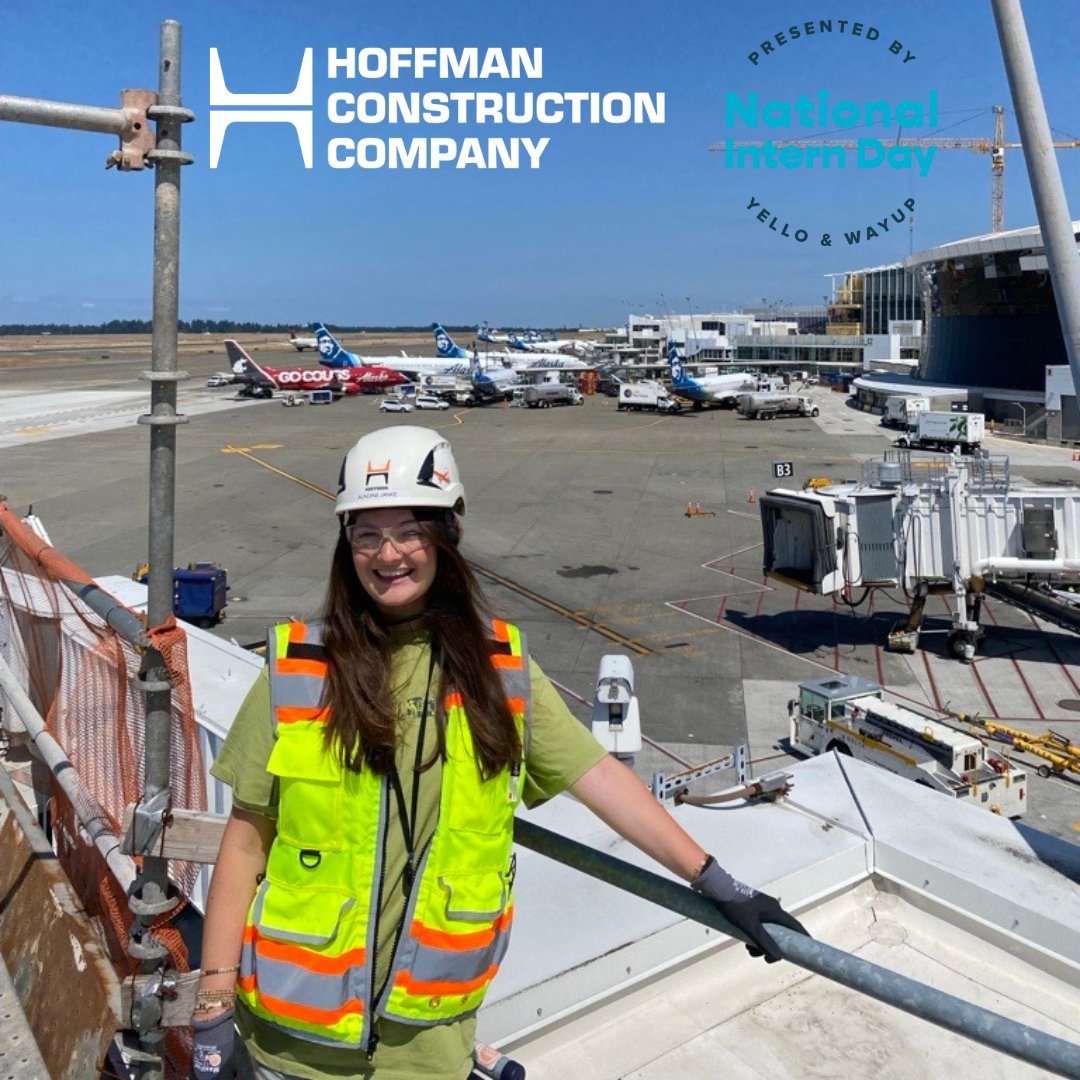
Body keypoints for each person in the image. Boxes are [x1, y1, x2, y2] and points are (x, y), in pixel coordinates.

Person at [191, 426, 807, 1080]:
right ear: (346, 548)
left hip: (426, 1052)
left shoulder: (499, 672)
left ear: (448, 535)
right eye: (365, 534)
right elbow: (245, 843)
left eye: (409, 531)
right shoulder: (298, 667)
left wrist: (716, 882)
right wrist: (211, 1009)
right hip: (289, 1043)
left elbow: (598, 776)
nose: (387, 554)